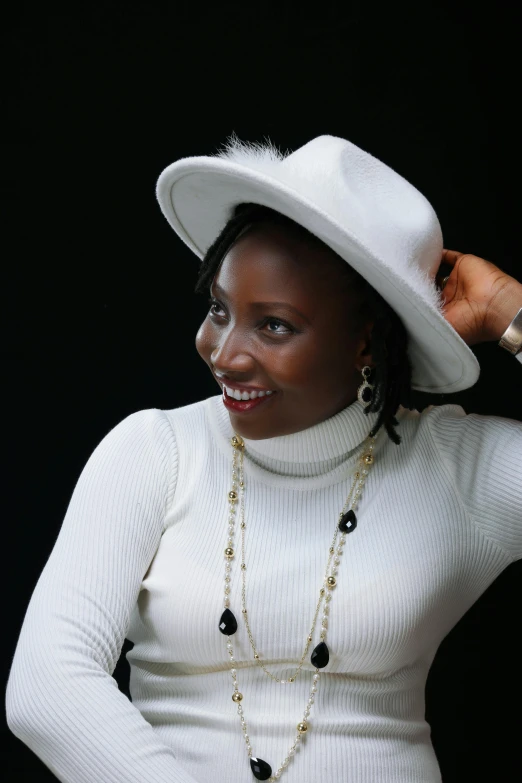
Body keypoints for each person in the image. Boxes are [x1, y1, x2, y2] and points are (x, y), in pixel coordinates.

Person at [6, 134, 522, 783]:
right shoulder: (154, 451)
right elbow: (47, 687)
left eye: (273, 324)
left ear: (367, 339)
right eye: (219, 308)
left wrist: (513, 312)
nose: (223, 353)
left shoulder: (459, 470)